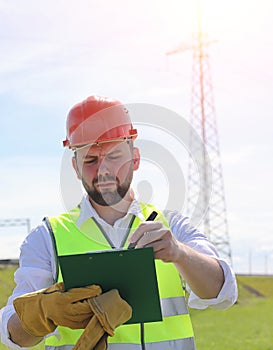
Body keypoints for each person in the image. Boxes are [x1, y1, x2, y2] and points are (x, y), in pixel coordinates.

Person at [0, 95, 238, 350]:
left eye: (114, 156)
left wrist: (180, 253)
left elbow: (222, 294)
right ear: (76, 167)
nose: (103, 170)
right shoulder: (47, 237)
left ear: (135, 159)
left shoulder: (171, 226)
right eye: (90, 160)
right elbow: (13, 336)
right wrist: (42, 314)